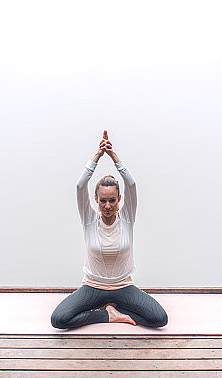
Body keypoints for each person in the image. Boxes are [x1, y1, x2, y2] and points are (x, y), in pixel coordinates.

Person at [50, 131, 168, 329]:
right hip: (92, 287)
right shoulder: (89, 220)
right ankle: (108, 314)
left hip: (123, 287)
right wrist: (97, 155)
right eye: (103, 200)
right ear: (96, 200)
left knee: (159, 319)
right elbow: (80, 186)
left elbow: (131, 184)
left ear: (119, 200)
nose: (107, 206)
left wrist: (113, 155)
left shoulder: (127, 218)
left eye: (112, 200)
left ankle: (116, 308)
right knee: (59, 320)